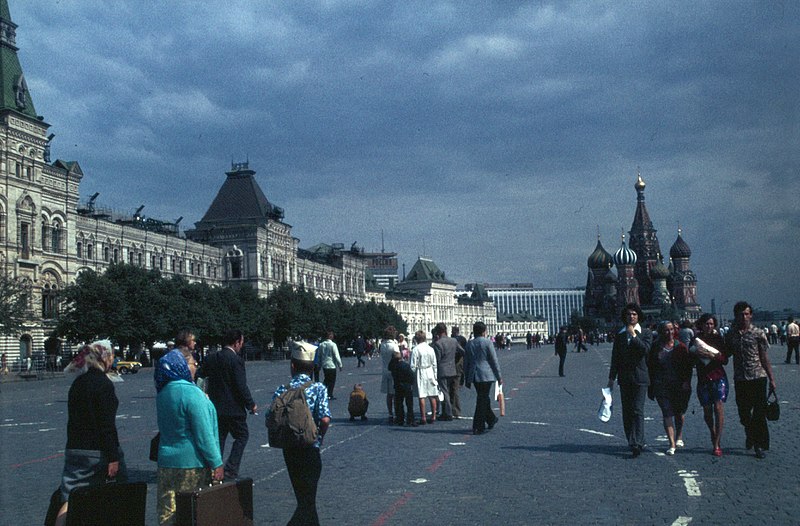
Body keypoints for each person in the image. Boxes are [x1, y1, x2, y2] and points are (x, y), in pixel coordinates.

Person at [54, 340, 127, 526]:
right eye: (110, 356)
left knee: (70, 496)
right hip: (97, 450)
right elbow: (106, 425)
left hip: (74, 447)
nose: (112, 360)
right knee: (118, 495)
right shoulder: (104, 384)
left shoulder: (78, 383)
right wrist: (113, 457)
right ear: (103, 358)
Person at [155, 345, 223, 525]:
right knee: (191, 514)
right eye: (193, 363)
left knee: (168, 513)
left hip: (166, 462)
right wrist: (216, 463)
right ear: (184, 366)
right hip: (191, 464)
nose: (196, 367)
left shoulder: (162, 393)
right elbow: (204, 435)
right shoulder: (193, 394)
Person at [266, 343, 331, 526]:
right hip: (310, 448)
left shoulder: (282, 389)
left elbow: (270, 418)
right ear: (312, 368)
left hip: (289, 449)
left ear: (293, 365)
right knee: (307, 502)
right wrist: (320, 437)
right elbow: (325, 419)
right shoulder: (318, 388)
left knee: (304, 500)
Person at [199, 329, 256, 480]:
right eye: (241, 343)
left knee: (219, 438)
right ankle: (231, 468)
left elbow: (200, 376)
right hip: (234, 409)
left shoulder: (211, 358)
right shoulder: (236, 360)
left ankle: (215, 468)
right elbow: (240, 385)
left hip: (216, 406)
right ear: (236, 342)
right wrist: (250, 404)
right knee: (242, 436)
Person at [724, 301, 777, 459]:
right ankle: (749, 432)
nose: (744, 317)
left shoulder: (758, 333)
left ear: (751, 315)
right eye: (741, 314)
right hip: (741, 378)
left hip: (758, 377)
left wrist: (772, 379)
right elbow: (726, 354)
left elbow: (764, 357)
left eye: (747, 314)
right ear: (736, 316)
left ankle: (758, 444)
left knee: (759, 413)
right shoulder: (731, 334)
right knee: (744, 413)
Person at [607, 303, 653, 458]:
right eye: (628, 314)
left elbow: (645, 350)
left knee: (637, 410)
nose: (631, 316)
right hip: (625, 378)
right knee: (627, 411)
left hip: (640, 377)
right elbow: (615, 359)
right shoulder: (620, 336)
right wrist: (611, 379)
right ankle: (631, 439)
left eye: (634, 314)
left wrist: (633, 335)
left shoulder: (645, 333)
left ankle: (638, 442)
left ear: (638, 316)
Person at [648, 321, 693, 455]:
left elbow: (688, 367)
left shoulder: (681, 346)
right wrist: (651, 387)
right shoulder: (655, 347)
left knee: (679, 413)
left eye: (671, 329)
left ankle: (679, 436)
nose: (670, 333)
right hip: (661, 385)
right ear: (661, 332)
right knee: (667, 413)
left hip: (679, 385)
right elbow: (651, 367)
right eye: (666, 330)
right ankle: (671, 443)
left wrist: (686, 381)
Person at [691, 313, 729, 457]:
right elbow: (690, 357)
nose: (709, 326)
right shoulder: (696, 340)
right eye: (707, 323)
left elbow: (725, 359)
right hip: (703, 378)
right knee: (707, 411)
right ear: (701, 325)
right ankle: (713, 432)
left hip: (718, 377)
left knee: (718, 408)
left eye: (712, 324)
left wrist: (711, 355)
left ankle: (717, 443)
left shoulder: (718, 339)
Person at [464, 321, 502, 435]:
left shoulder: (469, 344)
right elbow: (494, 360)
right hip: (486, 375)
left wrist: (467, 378)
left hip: (474, 375)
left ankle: (491, 419)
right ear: (484, 331)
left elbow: (466, 363)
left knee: (483, 398)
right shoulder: (487, 342)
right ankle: (478, 425)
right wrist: (499, 376)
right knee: (482, 399)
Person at [432, 322, 464, 420]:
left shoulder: (438, 343)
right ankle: (453, 411)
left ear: (438, 332)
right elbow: (463, 351)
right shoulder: (453, 341)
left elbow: (437, 360)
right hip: (453, 369)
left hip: (442, 370)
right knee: (452, 391)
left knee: (444, 392)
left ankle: (447, 413)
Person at [410, 330, 439, 425]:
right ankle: (434, 416)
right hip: (430, 371)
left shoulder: (415, 349)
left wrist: (413, 376)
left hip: (420, 372)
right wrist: (435, 375)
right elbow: (434, 363)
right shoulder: (430, 348)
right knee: (432, 394)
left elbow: (412, 366)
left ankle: (423, 417)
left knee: (421, 395)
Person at [388, 350, 417, 426]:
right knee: (409, 405)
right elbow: (411, 376)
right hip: (407, 386)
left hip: (398, 386)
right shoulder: (405, 365)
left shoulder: (393, 366)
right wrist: (411, 383)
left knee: (399, 404)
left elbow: (389, 367)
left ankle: (400, 419)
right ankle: (410, 420)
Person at [379, 326, 400, 422]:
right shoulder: (394, 345)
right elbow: (398, 356)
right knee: (395, 393)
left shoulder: (382, 345)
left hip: (385, 370)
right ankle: (397, 412)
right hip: (394, 371)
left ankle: (390, 413)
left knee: (389, 394)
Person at [317, 331, 342, 400]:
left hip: (324, 365)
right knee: (332, 381)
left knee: (326, 379)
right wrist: (340, 365)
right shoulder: (333, 345)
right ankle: (330, 394)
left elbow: (319, 356)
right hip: (332, 365)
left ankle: (322, 392)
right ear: (331, 336)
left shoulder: (321, 344)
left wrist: (319, 365)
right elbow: (336, 355)